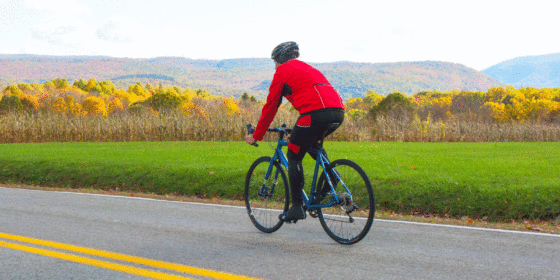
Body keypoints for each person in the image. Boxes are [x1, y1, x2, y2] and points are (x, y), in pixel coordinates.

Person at [245, 41, 345, 223]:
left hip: (314, 114)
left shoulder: (282, 72)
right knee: (311, 145)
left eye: (274, 61)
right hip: (337, 112)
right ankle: (331, 180)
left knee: (293, 155)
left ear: (279, 59)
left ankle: (297, 207)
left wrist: (256, 135)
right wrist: (299, 132)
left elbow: (270, 108)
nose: (274, 66)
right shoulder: (306, 68)